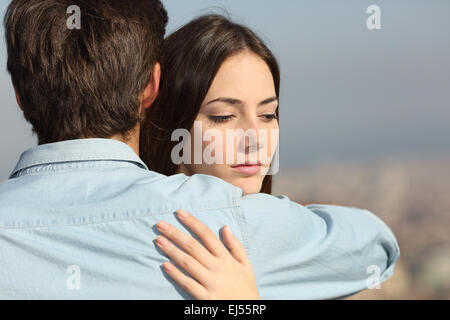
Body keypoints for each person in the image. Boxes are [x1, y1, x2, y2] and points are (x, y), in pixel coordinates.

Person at [0, 0, 399, 299]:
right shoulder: (217, 228)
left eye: (269, 114)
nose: (254, 139)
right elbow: (374, 245)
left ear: (18, 96)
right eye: (223, 117)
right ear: (152, 89)